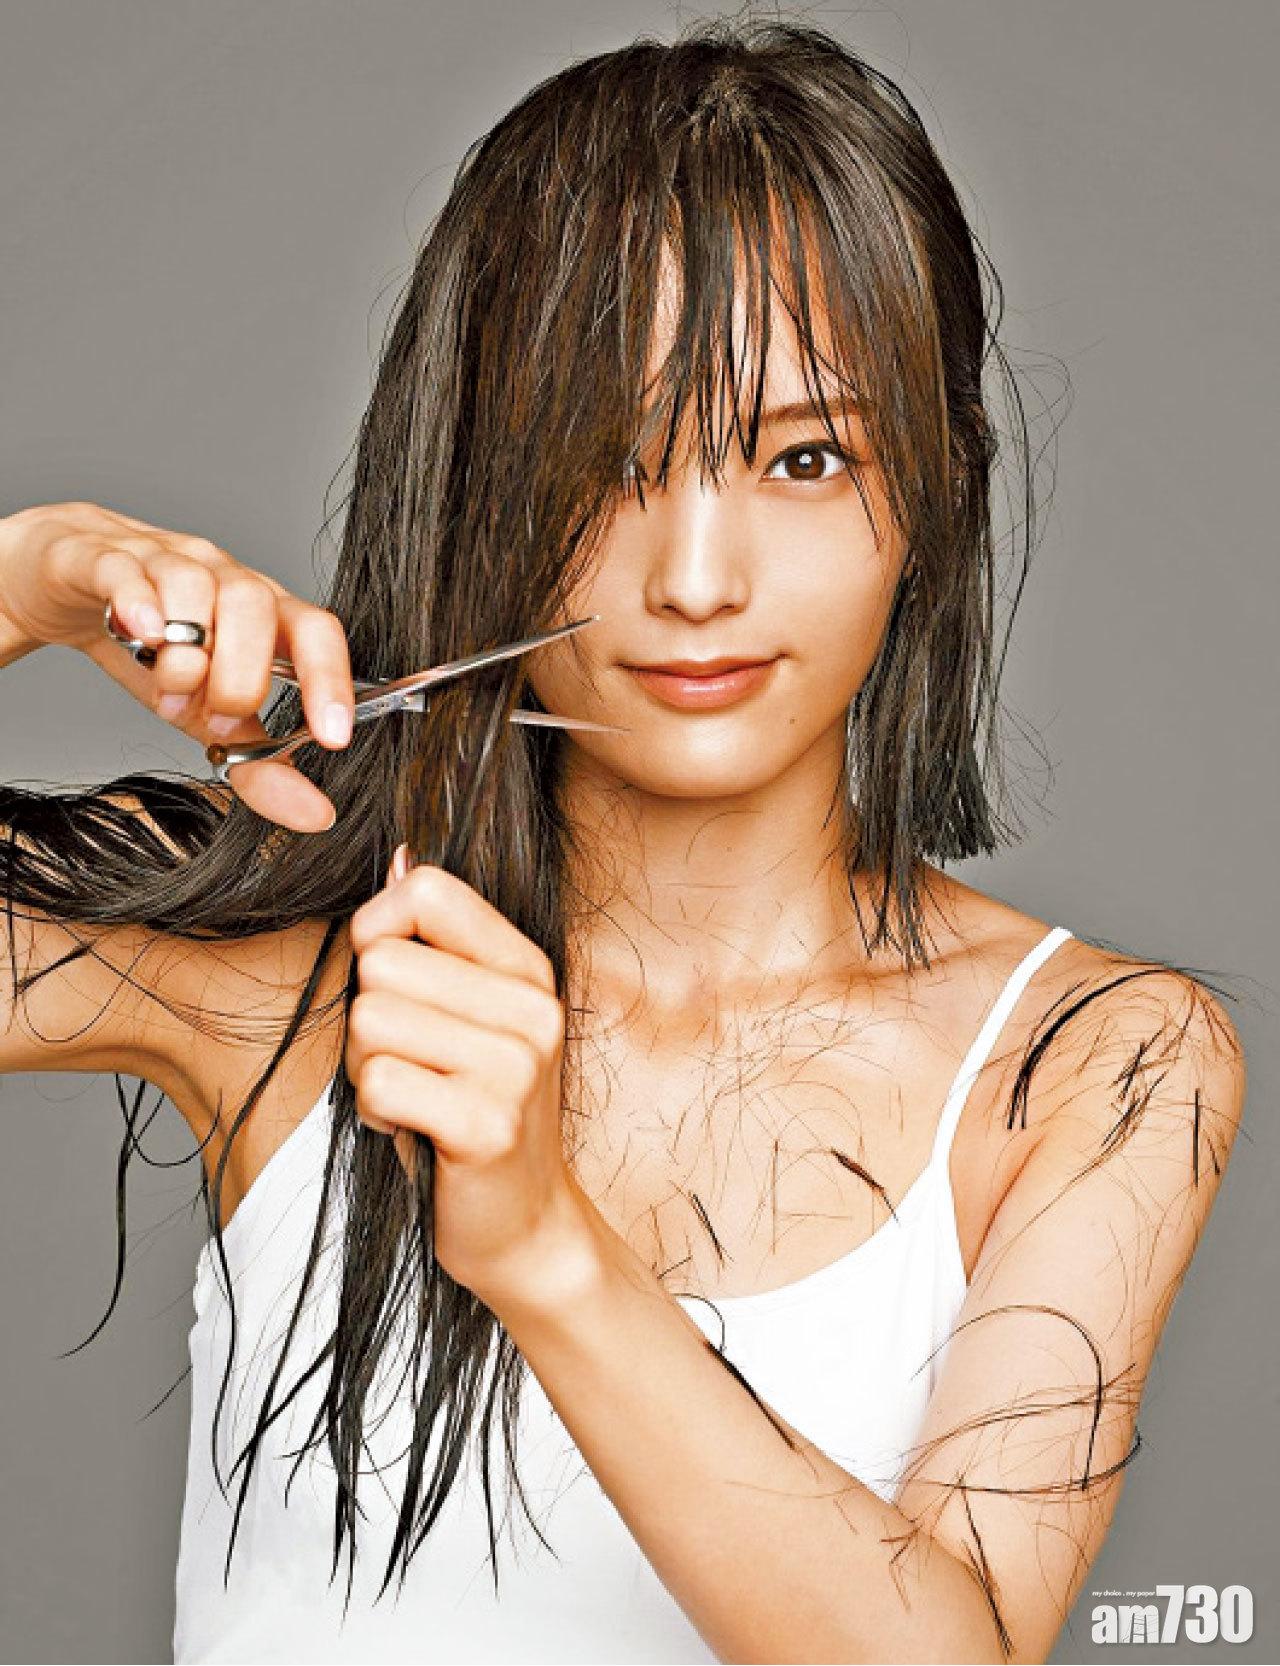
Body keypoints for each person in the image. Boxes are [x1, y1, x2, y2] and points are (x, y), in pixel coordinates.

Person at [0, 18, 1246, 1665]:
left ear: (936, 491)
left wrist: (546, 1248)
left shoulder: (1099, 1062)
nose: (698, 581)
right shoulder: (279, 960)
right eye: (606, 465)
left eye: (805, 457)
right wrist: (28, 574)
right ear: (476, 478)